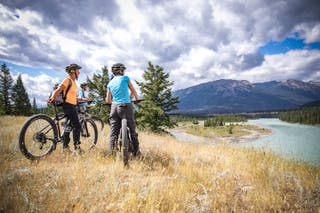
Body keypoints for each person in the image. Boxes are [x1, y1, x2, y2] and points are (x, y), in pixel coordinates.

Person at [48, 63, 84, 154]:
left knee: (69, 126)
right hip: (68, 105)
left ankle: (65, 146)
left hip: (72, 105)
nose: (79, 72)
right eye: (78, 70)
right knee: (77, 125)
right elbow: (58, 90)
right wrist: (53, 97)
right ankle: (77, 147)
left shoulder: (73, 83)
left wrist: (83, 99)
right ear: (73, 71)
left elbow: (72, 96)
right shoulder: (67, 80)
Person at [106, 63, 140, 156]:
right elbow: (133, 90)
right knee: (132, 129)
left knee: (113, 132)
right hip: (126, 105)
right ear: (121, 71)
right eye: (123, 70)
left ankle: (111, 153)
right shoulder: (125, 78)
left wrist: (110, 103)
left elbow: (108, 100)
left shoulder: (110, 83)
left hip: (114, 107)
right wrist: (137, 99)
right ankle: (136, 152)